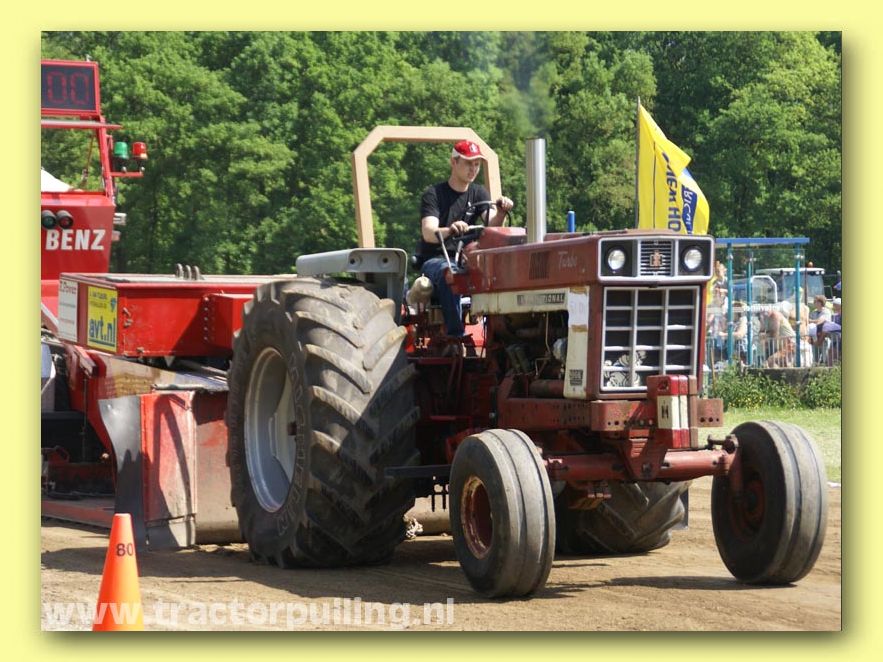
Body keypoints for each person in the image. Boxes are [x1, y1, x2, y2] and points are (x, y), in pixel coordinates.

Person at [417, 140, 514, 336]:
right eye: (469, 163)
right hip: (436, 260)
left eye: (477, 164)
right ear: (454, 162)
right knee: (450, 273)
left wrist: (502, 212)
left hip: (467, 260)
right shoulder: (433, 194)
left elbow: (491, 226)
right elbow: (429, 233)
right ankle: (455, 335)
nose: (473, 169)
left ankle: (502, 335)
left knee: (500, 270)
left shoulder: (478, 193)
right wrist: (451, 230)